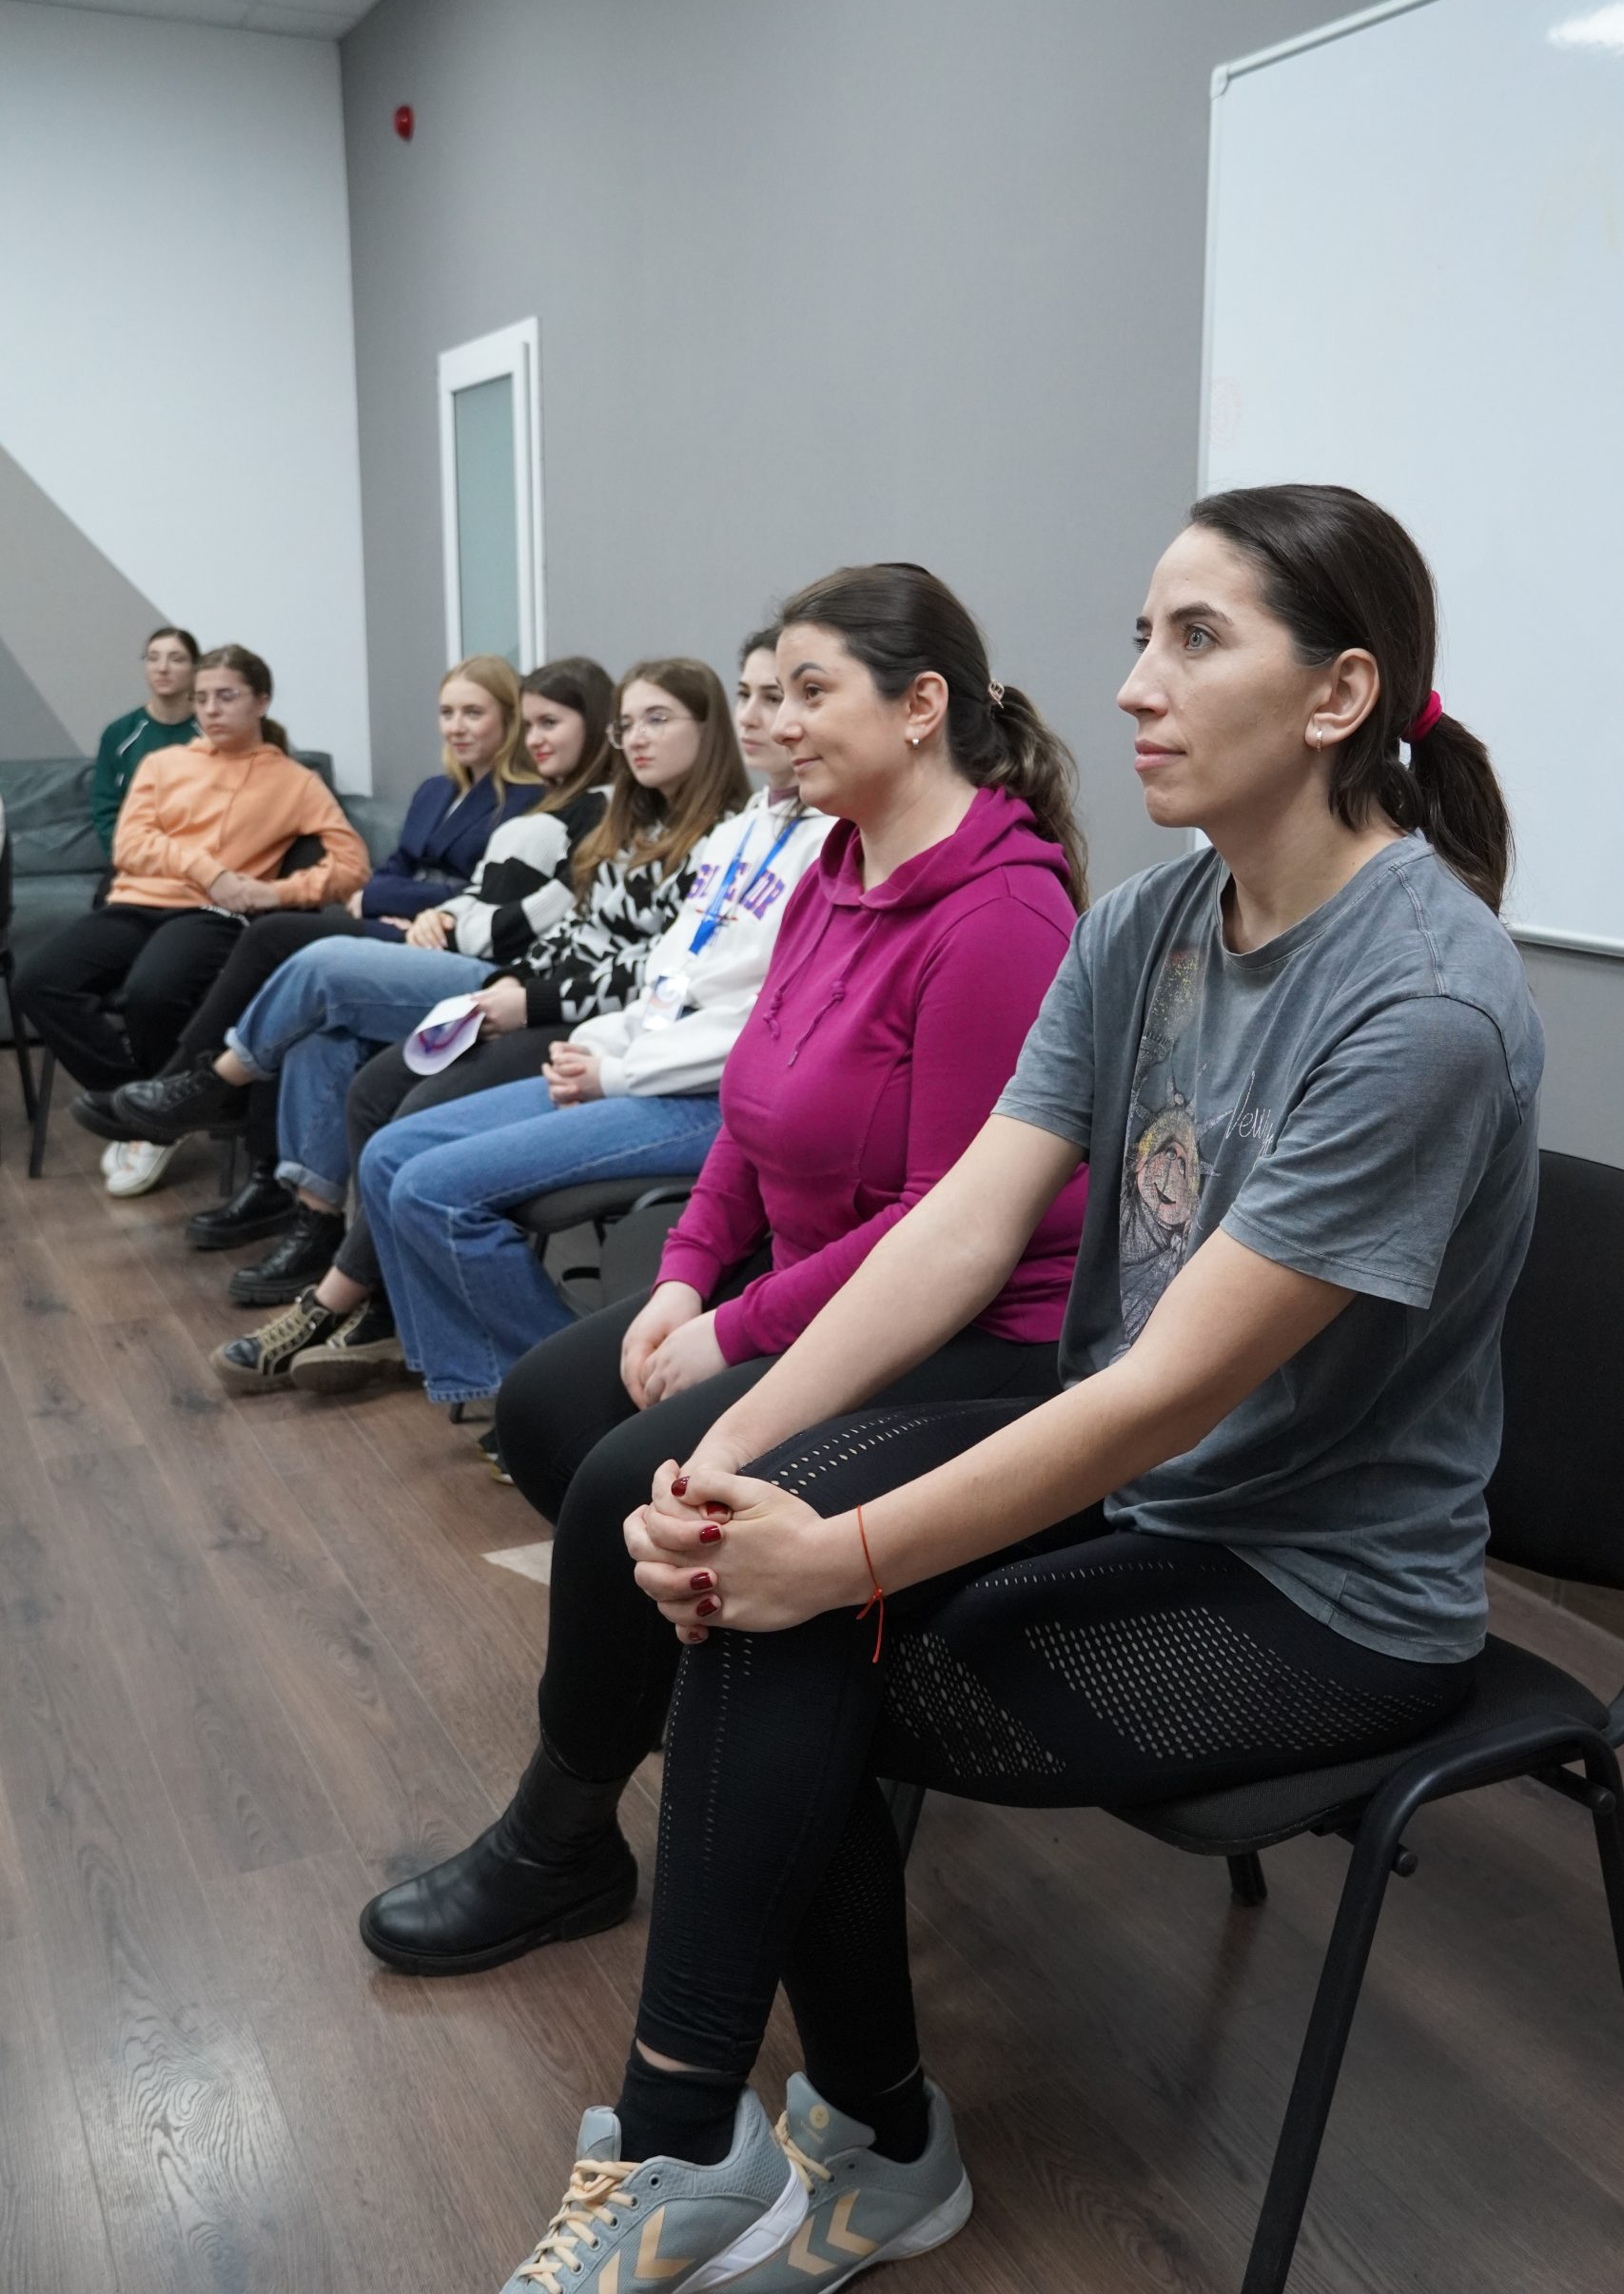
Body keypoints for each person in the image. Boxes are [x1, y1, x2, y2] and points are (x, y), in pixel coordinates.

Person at [475, 486, 1541, 2294]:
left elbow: (1158, 1399)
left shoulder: (1420, 1005)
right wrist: (728, 1448)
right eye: (1139, 635)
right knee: (751, 1566)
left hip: (1323, 1591)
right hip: (1156, 1497)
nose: (1132, 683)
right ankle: (776, 2141)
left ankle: (793, 2141)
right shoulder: (1149, 925)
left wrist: (838, 1555)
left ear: (1340, 694)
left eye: (1193, 639)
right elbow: (961, 1228)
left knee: (803, 1623)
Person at [354, 561, 1090, 2021]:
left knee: (620, 1486)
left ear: (919, 706)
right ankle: (714, 1673)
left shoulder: (1003, 919)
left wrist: (734, 1326)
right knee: (546, 1406)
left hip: (972, 1338)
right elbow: (749, 1111)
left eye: (812, 691)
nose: (778, 722)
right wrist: (682, 1275)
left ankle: (561, 1841)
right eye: (774, 691)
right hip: (811, 1284)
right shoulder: (831, 865)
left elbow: (941, 1231)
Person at [212, 631, 832, 1407]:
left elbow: (750, 1018)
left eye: (785, 696)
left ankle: (559, 1397)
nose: (761, 717)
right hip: (616, 1046)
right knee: (387, 1143)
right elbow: (665, 974)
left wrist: (600, 1058)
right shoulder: (736, 832)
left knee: (414, 1158)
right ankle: (477, 1374)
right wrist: (594, 1044)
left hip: (686, 1089)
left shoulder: (814, 844)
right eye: (750, 695)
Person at [140, 658, 748, 1305]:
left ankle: (348, 1288)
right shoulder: (629, 821)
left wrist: (522, 993)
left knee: (371, 1047)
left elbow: (650, 966)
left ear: (707, 728)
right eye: (629, 725)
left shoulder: (707, 836)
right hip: (520, 986)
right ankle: (335, 1246)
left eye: (657, 720)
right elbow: (568, 928)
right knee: (368, 1082)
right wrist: (507, 982)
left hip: (577, 1019)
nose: (638, 739)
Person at [104, 657, 611, 1234]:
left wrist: (431, 914)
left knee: (295, 952)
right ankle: (305, 1213)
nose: (458, 726)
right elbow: (405, 881)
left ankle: (206, 1085)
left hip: (483, 968)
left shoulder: (542, 803)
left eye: (476, 712)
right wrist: (425, 906)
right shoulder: (448, 792)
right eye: (447, 712)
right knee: (318, 1033)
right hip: (442, 938)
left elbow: (501, 917)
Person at [14, 646, 368, 1196]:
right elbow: (129, 844)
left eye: (226, 696)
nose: (211, 709)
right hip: (136, 902)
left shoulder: (295, 780)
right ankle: (146, 1106)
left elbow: (352, 865)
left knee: (152, 991)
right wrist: (208, 869)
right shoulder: (163, 764)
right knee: (37, 981)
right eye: (202, 698)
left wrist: (275, 891)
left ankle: (154, 1114)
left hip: (212, 915)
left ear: (262, 701)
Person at [89, 626, 201, 855]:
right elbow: (106, 814)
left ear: (195, 668)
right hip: (137, 858)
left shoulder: (213, 731)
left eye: (176, 659)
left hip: (202, 859)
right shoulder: (118, 733)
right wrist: (137, 858)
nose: (162, 668)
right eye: (153, 658)